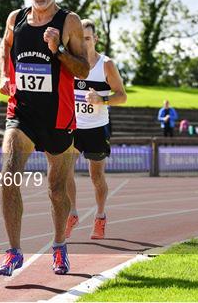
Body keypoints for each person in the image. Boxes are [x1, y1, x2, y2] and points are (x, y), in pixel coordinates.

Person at [0, 0, 90, 276]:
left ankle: (59, 245)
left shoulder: (69, 22)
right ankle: (13, 252)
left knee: (56, 188)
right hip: (21, 114)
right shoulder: (16, 18)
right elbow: (5, 47)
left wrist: (58, 48)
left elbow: (83, 69)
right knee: (9, 175)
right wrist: (4, 76)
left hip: (58, 118)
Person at [65, 19, 127, 240]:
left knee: (96, 175)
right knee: (63, 172)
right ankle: (71, 213)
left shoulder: (106, 65)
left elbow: (122, 96)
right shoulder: (70, 62)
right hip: (72, 126)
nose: (84, 43)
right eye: (80, 38)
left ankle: (100, 216)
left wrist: (101, 98)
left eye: (88, 38)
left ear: (95, 39)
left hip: (97, 128)